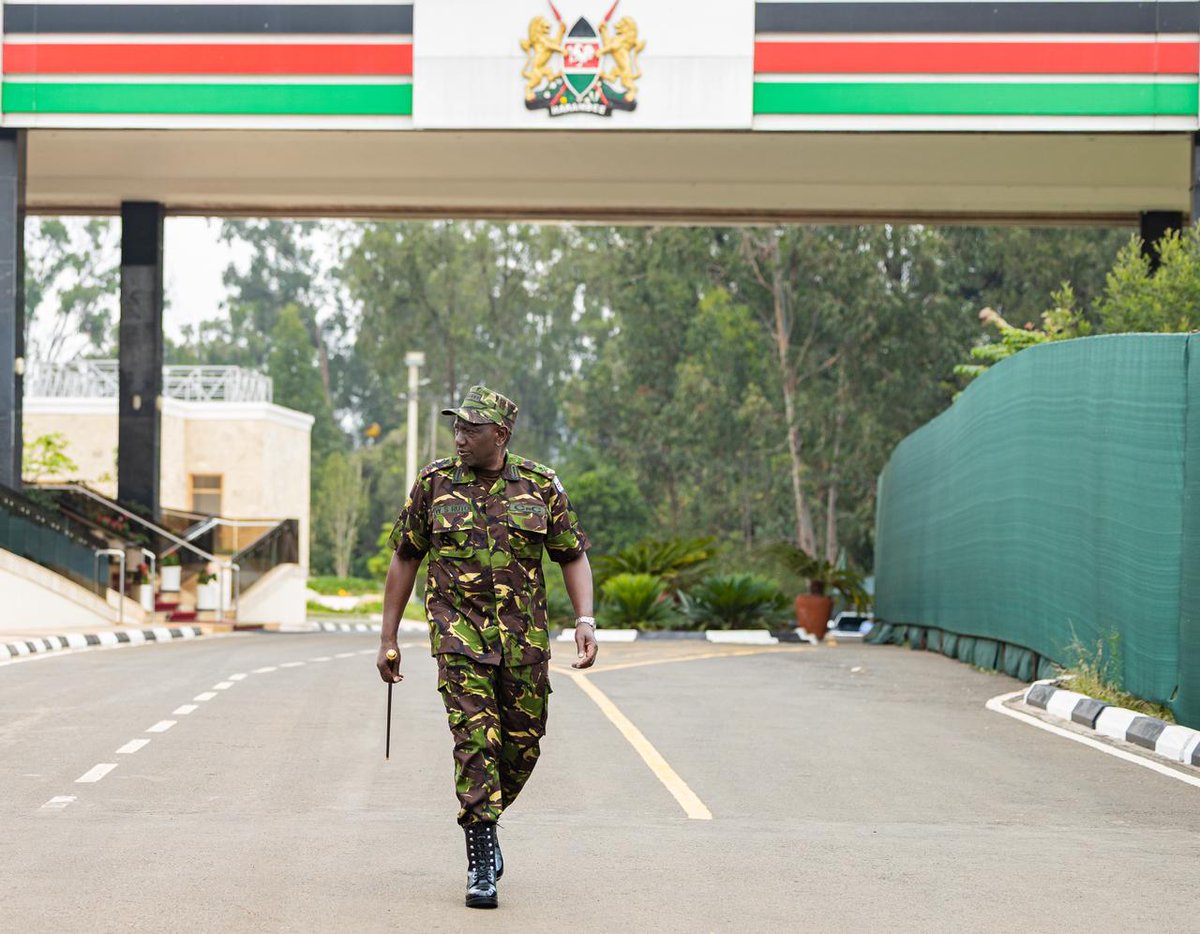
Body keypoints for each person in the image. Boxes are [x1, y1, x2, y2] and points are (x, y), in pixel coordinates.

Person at [376, 384, 598, 910]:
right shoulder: (433, 485)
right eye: (456, 427)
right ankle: (480, 863)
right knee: (476, 742)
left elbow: (572, 555)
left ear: (500, 434)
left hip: (525, 642)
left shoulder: (540, 486)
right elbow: (406, 557)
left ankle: (487, 820)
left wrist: (585, 619)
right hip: (459, 638)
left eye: (470, 429)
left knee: (522, 746)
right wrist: (387, 637)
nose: (459, 437)